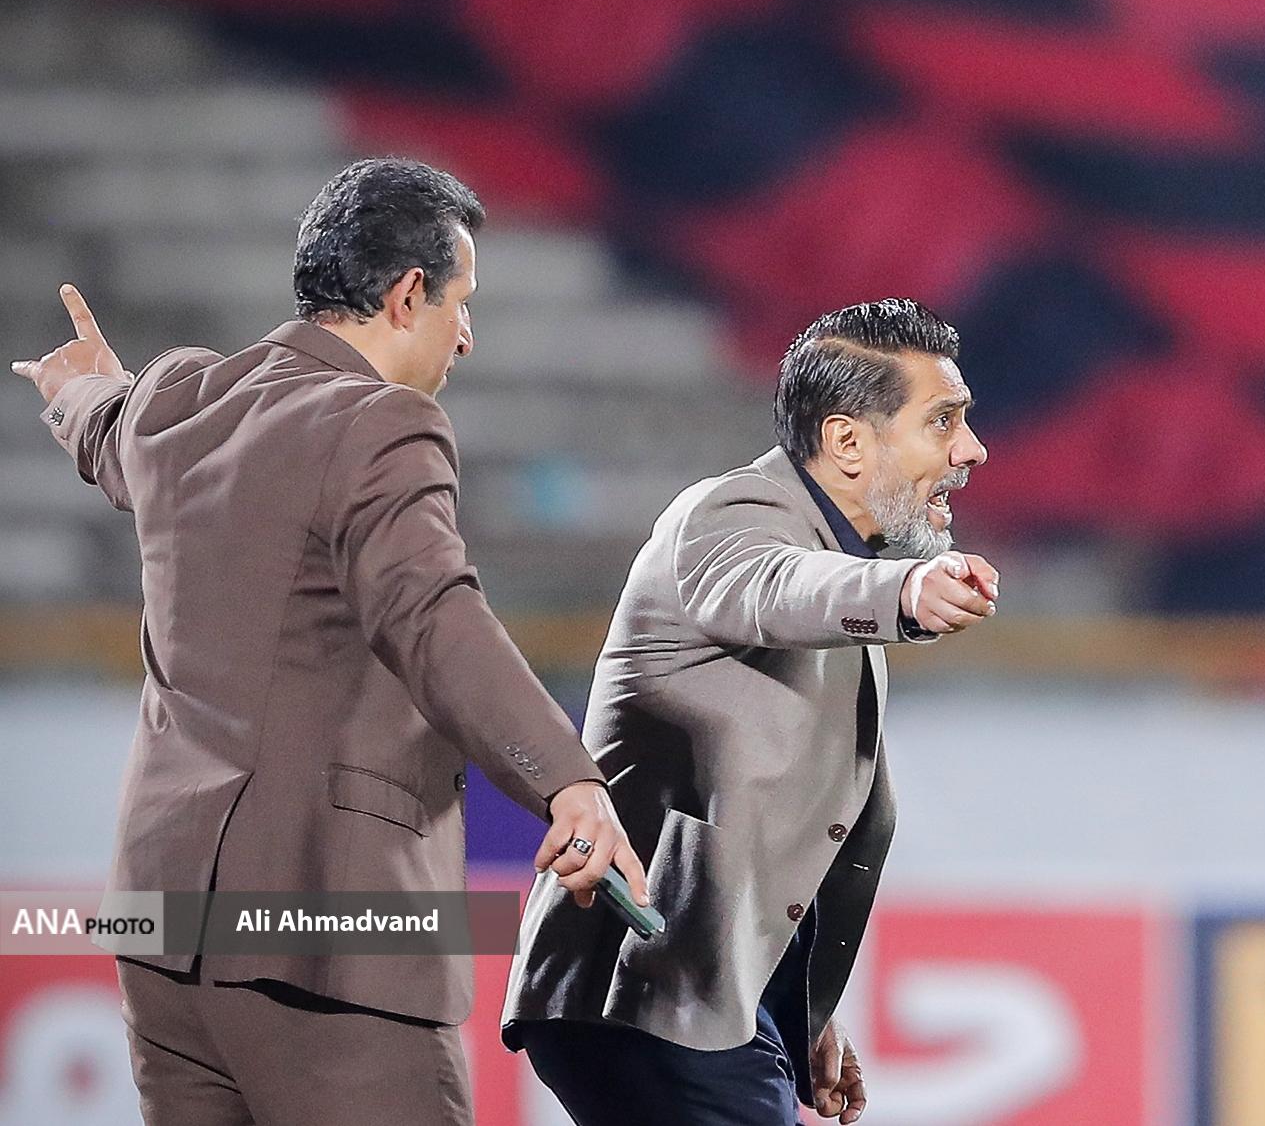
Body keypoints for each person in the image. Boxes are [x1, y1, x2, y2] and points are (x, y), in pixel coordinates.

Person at [10, 158, 646, 1126]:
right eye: (462, 303)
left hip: (161, 925)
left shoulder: (181, 396)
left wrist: (79, 392)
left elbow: (114, 432)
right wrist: (567, 780)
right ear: (407, 294)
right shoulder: (380, 423)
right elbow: (430, 612)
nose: (466, 334)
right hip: (322, 929)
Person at [503, 297, 999, 1126]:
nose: (971, 448)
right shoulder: (731, 516)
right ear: (847, 441)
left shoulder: (839, 556)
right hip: (641, 988)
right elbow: (778, 586)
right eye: (943, 420)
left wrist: (793, 1000)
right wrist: (906, 590)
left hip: (704, 997)